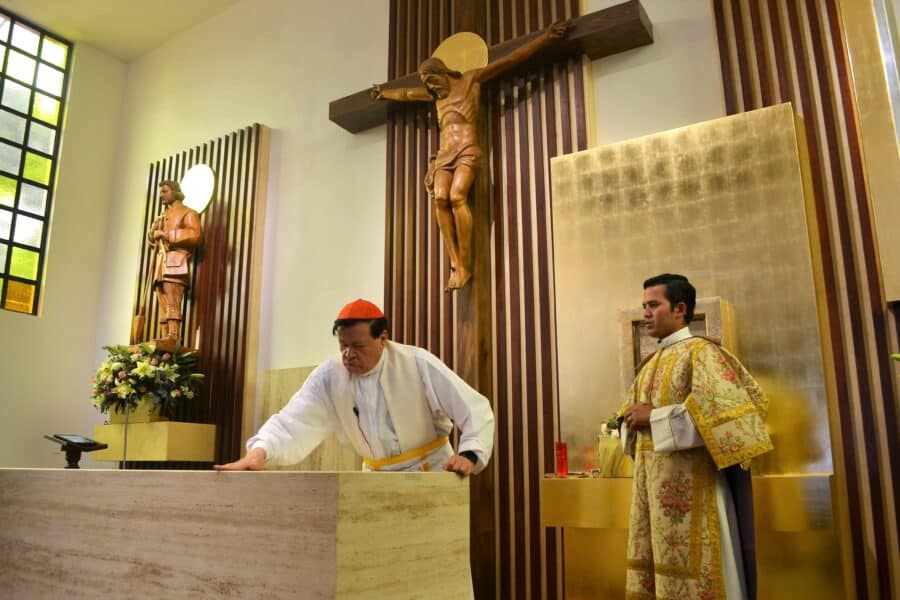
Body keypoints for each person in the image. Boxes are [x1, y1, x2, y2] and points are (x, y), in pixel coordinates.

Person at [371, 21, 568, 290]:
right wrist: (384, 93)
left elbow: (512, 59)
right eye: (426, 83)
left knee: (456, 196)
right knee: (440, 197)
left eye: (432, 79)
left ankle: (464, 259)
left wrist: (545, 38)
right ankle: (457, 264)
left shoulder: (471, 80)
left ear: (443, 73)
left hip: (467, 151)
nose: (430, 86)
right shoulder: (435, 97)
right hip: (444, 155)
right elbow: (405, 94)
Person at [619, 274, 773, 599]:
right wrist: (628, 422)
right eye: (644, 305)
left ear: (679, 308)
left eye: (653, 304)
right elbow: (631, 426)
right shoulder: (648, 365)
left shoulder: (702, 354)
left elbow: (723, 421)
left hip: (695, 496)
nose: (646, 312)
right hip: (652, 499)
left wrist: (654, 417)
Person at [215, 299, 494, 475]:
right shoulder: (329, 376)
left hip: (429, 473)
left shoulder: (417, 364)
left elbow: (474, 408)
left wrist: (469, 454)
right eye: (343, 345)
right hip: (374, 481)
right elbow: (292, 422)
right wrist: (259, 453)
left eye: (358, 346)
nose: (348, 354)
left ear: (382, 338)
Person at [147, 180, 202, 341]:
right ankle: (164, 335)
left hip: (176, 262)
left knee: (173, 300)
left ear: (175, 192)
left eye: (165, 191)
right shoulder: (162, 216)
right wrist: (152, 232)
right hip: (162, 262)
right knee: (162, 298)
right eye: (161, 192)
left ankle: (173, 335)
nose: (161, 195)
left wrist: (167, 234)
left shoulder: (188, 213)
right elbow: (153, 242)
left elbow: (195, 235)